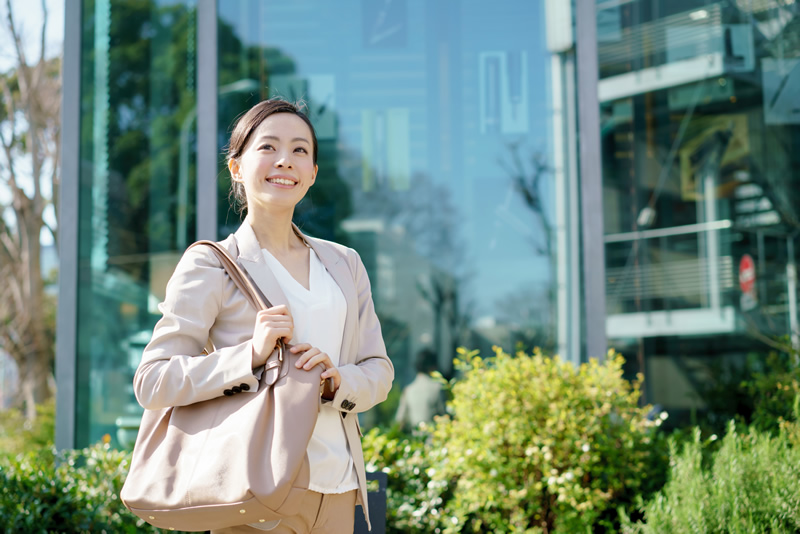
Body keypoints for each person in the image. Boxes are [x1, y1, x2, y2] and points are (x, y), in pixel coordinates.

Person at [133, 98, 394, 534]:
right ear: (236, 167)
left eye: (299, 151)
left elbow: (379, 370)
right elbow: (153, 380)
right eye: (268, 147)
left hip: (341, 489)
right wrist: (248, 356)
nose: (284, 161)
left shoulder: (345, 263)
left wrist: (335, 382)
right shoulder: (212, 265)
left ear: (312, 173)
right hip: (256, 493)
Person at [395, 348, 445, 429]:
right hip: (434, 437)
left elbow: (400, 420)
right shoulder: (437, 387)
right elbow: (444, 416)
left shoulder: (408, 390)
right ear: (433, 367)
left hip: (416, 438)